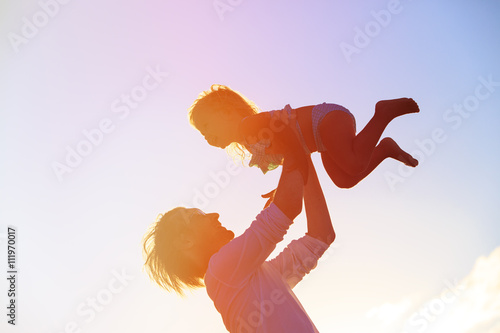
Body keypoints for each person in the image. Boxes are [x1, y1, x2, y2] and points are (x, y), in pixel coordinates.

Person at [142, 138, 335, 332]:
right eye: (195, 216)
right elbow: (288, 209)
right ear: (186, 240)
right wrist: (291, 138)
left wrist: (303, 161)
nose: (213, 215)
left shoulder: (254, 279)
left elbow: (321, 236)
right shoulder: (220, 270)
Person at [188, 84, 419, 189]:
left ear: (228, 112)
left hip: (325, 120)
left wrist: (297, 167)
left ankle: (382, 114)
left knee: (355, 163)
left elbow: (285, 133)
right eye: (202, 133)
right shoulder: (251, 146)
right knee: (344, 180)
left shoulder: (249, 125)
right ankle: (385, 149)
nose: (207, 136)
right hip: (322, 141)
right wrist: (281, 192)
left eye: (207, 126)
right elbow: (291, 158)